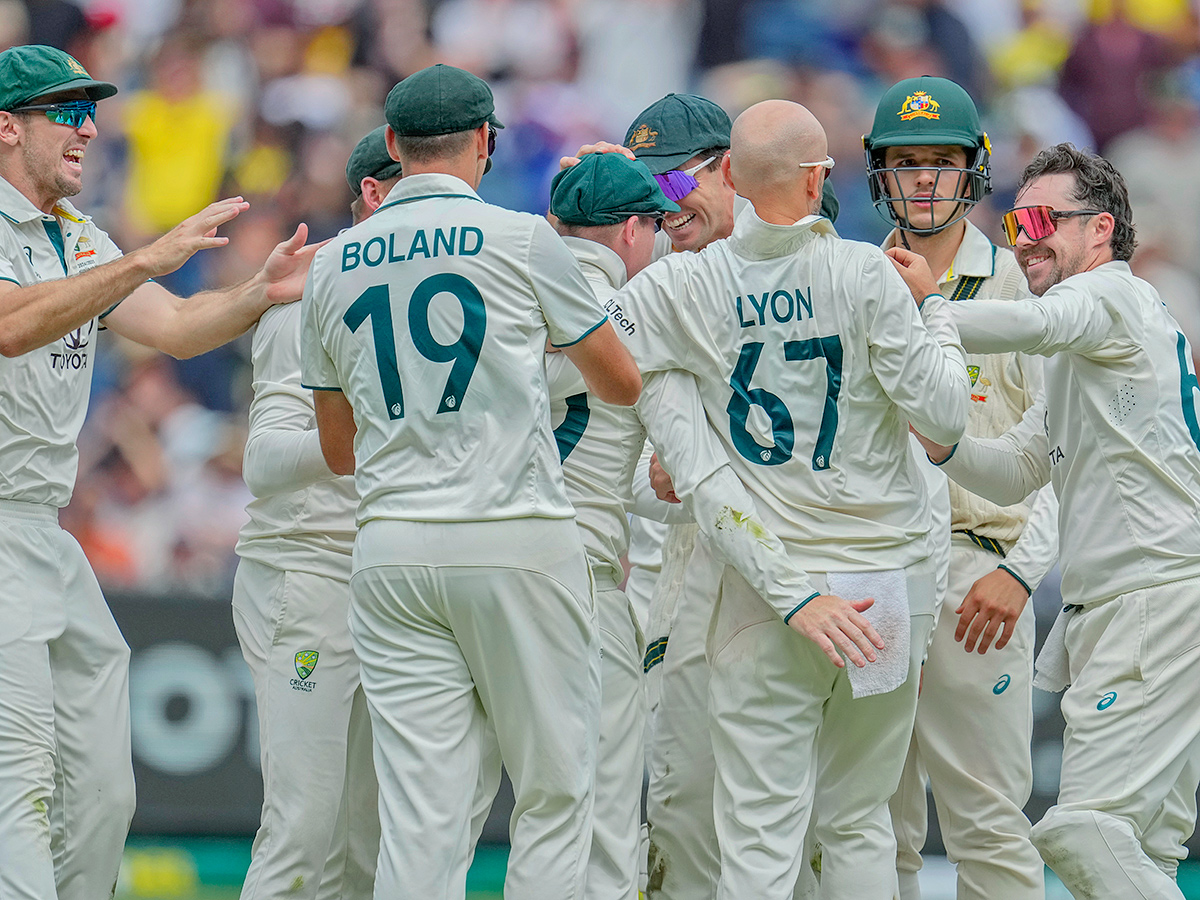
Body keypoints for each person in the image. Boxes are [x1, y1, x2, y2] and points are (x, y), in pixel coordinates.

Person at [609, 98, 968, 899]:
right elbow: (945, 418)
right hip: (884, 587)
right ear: (818, 182)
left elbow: (578, 342)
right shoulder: (869, 273)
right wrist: (935, 306)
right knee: (858, 819)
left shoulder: (681, 284)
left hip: (771, 591)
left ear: (730, 175)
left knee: (760, 832)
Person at [300, 64, 641, 899]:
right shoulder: (525, 238)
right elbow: (621, 383)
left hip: (390, 548)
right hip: (514, 530)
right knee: (558, 792)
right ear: (486, 141)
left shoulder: (331, 265)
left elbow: (339, 451)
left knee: (423, 814)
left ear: (390, 147)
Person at [0, 44, 318, 900]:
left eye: (89, 110)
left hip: (42, 532)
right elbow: (9, 323)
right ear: (5, 127)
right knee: (16, 785)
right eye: (66, 112)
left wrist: (258, 291)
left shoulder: (75, 236)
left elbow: (176, 326)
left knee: (103, 795)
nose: (89, 127)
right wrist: (138, 260)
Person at [891, 142, 1200, 898]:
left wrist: (923, 305)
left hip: (1151, 602)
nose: (1024, 236)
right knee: (1143, 854)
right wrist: (948, 446)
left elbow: (1023, 325)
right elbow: (1019, 469)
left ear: (1102, 230)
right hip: (1135, 604)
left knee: (1080, 832)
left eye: (1042, 219)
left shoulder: (1108, 298)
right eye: (1015, 220)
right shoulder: (1085, 340)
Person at [863, 75, 1057, 900]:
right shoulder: (847, 279)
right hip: (868, 579)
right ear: (880, 175)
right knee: (871, 824)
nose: (924, 182)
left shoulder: (1022, 288)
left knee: (987, 822)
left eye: (941, 162)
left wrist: (1020, 572)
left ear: (974, 171)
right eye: (906, 163)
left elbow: (1064, 455)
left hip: (978, 577)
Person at [230, 125, 402, 900]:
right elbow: (263, 464)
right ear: (372, 193)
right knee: (302, 830)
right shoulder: (308, 297)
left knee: (371, 843)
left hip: (391, 582)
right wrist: (361, 430)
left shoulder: (432, 290)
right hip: (305, 572)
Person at [546, 150, 681, 899]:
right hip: (582, 575)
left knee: (454, 806)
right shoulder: (630, 306)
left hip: (479, 558)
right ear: (631, 231)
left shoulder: (502, 286)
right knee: (596, 807)